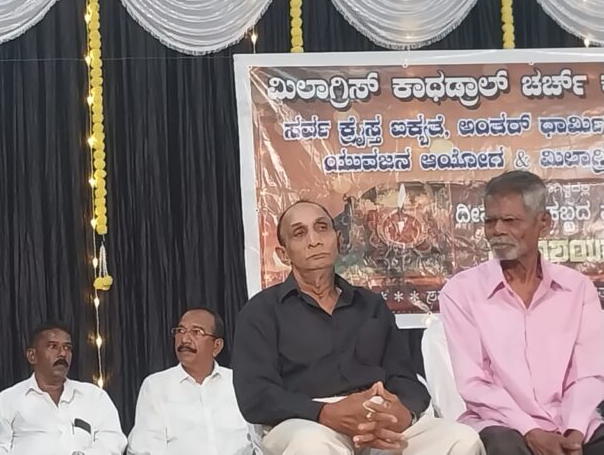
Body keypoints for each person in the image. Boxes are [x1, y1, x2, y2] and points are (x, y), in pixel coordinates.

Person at [233, 200, 483, 455]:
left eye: (322, 228)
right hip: (304, 420)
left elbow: (404, 378)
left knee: (461, 440)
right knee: (313, 445)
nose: (314, 240)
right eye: (299, 233)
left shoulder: (371, 305)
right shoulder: (261, 312)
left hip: (376, 415)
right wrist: (324, 412)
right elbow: (256, 396)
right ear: (284, 253)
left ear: (339, 240)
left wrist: (404, 412)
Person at [440, 171, 604, 455]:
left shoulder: (577, 289)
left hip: (572, 424)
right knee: (503, 446)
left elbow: (589, 375)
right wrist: (531, 430)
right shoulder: (461, 291)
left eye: (510, 220)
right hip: (502, 425)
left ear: (544, 223)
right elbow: (473, 383)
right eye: (490, 221)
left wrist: (574, 432)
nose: (497, 231)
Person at [0, 321, 126, 455]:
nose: (63, 353)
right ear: (32, 356)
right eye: (53, 346)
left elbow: (113, 440)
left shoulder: (94, 397)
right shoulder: (7, 400)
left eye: (67, 347)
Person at [127, 307, 252, 455]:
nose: (184, 339)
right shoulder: (156, 386)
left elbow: (259, 440)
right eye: (180, 331)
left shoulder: (238, 382)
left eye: (196, 332)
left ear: (216, 346)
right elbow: (146, 448)